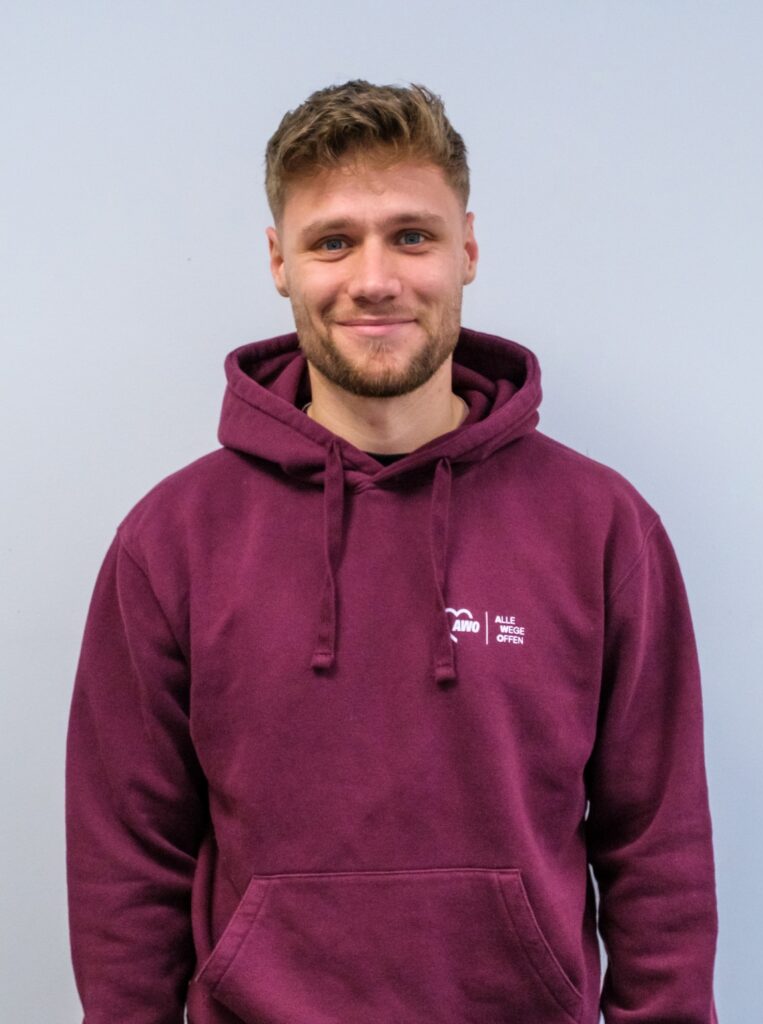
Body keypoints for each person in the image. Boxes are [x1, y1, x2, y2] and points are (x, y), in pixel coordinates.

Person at [66, 80, 719, 1024]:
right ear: (279, 261)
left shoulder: (602, 528)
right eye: (333, 241)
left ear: (468, 250)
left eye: (412, 236)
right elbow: (125, 865)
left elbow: (659, 849)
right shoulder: (171, 543)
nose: (374, 280)